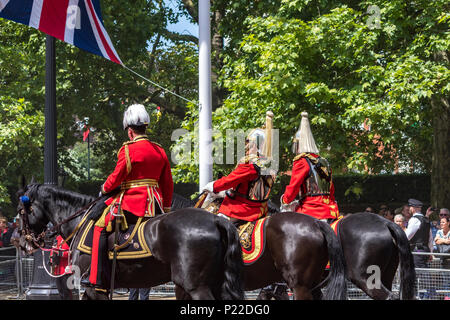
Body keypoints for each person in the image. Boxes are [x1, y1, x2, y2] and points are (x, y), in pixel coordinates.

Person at [82, 104, 174, 293]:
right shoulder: (160, 150)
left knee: (99, 226)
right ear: (145, 127)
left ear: (130, 131)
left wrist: (104, 188)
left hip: (133, 201)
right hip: (155, 203)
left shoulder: (128, 150)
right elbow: (167, 184)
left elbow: (117, 177)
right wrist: (165, 209)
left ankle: (96, 278)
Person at [203, 111, 276, 228]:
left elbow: (231, 180)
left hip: (241, 209)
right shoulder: (268, 164)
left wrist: (213, 186)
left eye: (249, 144)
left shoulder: (251, 164)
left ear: (256, 145)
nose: (246, 147)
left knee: (210, 226)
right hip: (261, 209)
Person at [279, 112, 341, 222]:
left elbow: (294, 187)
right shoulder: (324, 161)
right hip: (330, 210)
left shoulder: (302, 161)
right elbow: (331, 190)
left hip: (311, 209)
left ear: (298, 145)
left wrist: (285, 200)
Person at [434, 216, 450, 299]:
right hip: (443, 259)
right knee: (445, 280)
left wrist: (441, 240)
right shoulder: (439, 231)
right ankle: (447, 297)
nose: (441, 224)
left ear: (448, 223)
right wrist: (445, 241)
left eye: (443, 222)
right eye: (441, 222)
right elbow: (436, 240)